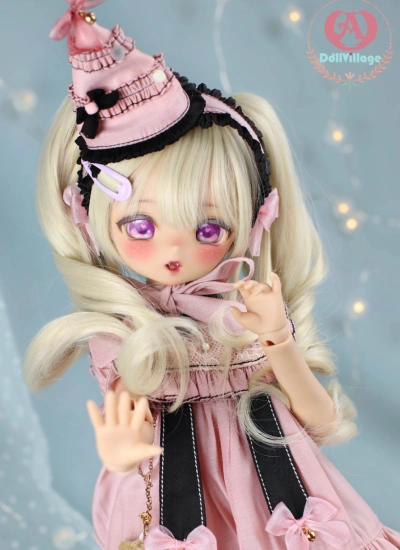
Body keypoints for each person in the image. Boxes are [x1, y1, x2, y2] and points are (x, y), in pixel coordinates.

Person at [24, 2, 400, 549]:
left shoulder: (244, 313)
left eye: (208, 228)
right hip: (180, 510)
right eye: (141, 225)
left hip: (286, 510)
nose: (174, 250)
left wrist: (279, 339)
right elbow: (131, 435)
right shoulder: (126, 334)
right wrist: (120, 452)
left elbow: (319, 421)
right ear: (88, 218)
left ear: (256, 219)